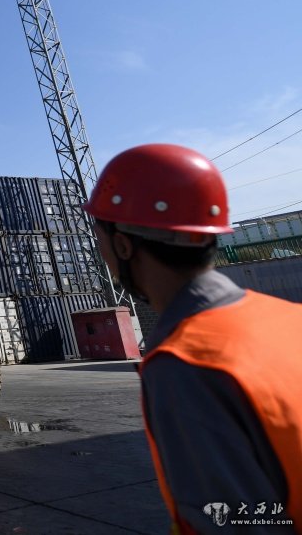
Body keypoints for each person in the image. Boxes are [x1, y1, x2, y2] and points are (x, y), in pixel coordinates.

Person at [84, 143, 302, 532]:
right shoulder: (290, 318)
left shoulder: (185, 364)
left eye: (98, 236)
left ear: (122, 244)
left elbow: (234, 522)